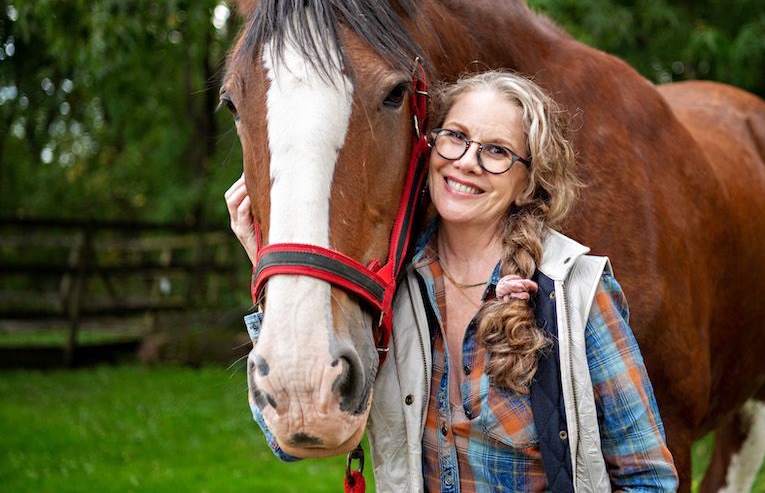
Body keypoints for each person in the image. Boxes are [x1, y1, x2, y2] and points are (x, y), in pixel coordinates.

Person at [227, 71, 677, 492]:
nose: (467, 162)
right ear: (430, 148)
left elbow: (648, 477)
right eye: (456, 138)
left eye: (497, 151)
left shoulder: (574, 290)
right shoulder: (393, 289)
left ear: (526, 184)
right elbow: (290, 436)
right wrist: (264, 270)